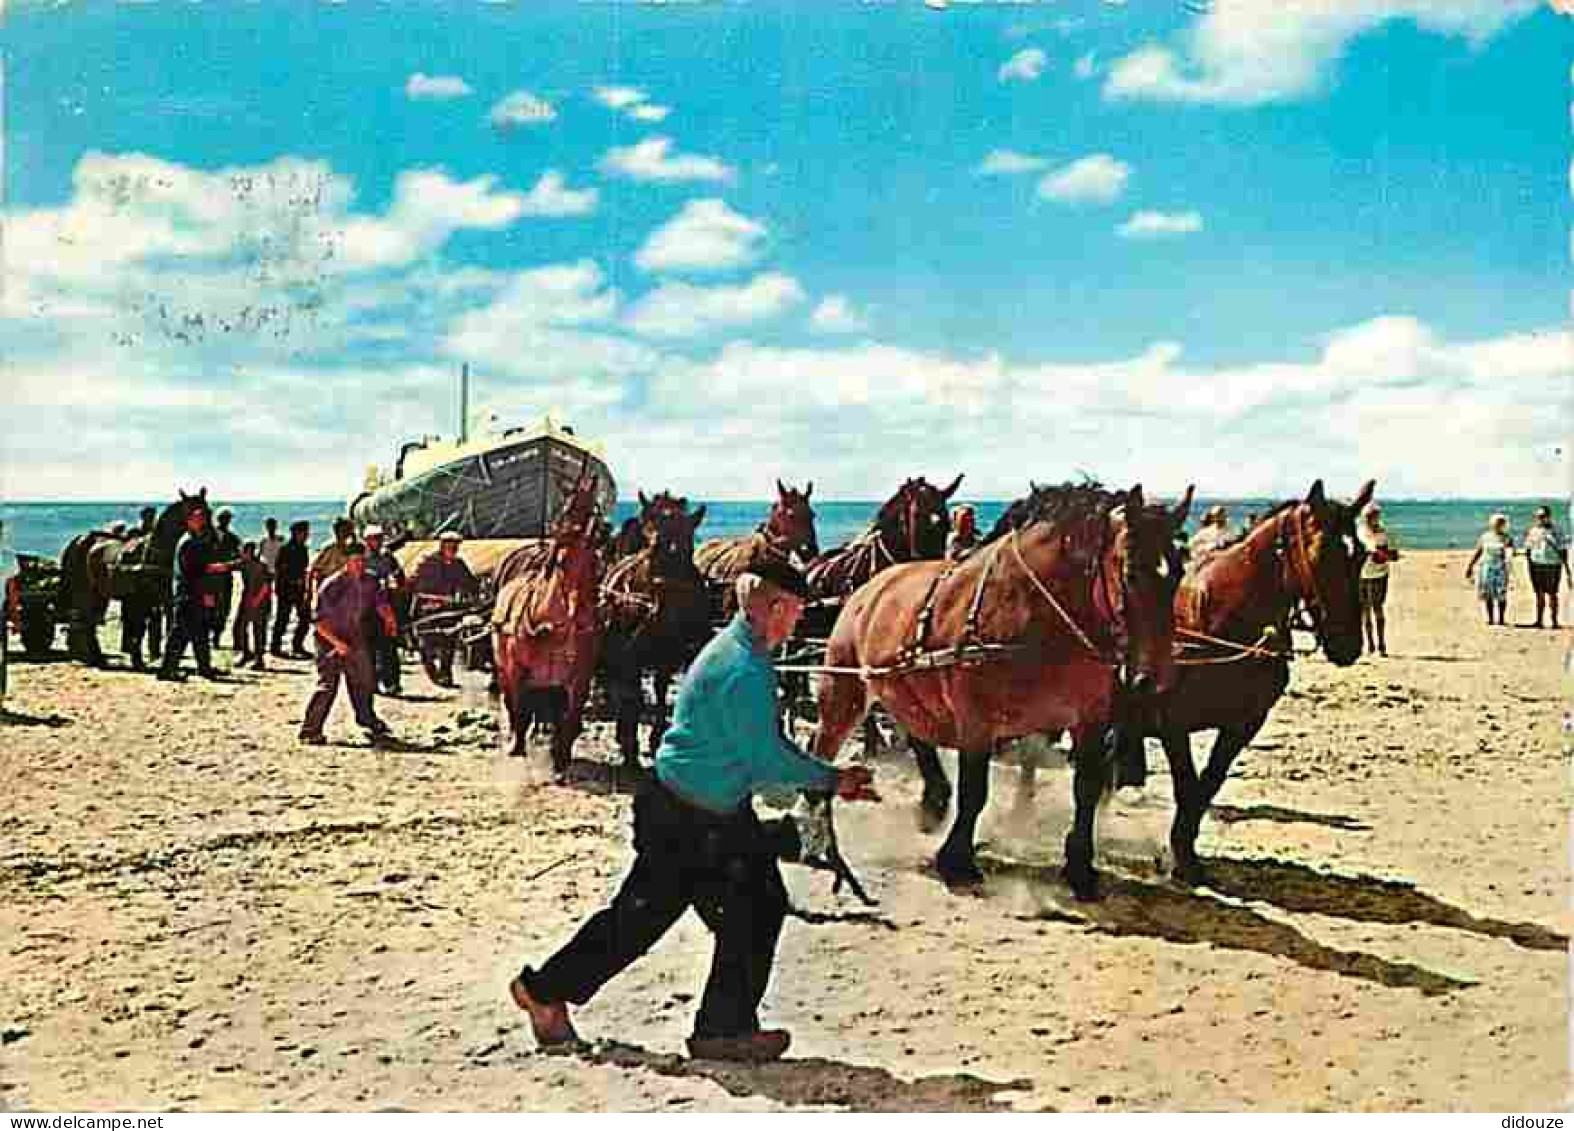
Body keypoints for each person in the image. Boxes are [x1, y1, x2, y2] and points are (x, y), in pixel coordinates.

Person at [508, 560, 878, 1061]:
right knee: (704, 913)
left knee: (701, 912)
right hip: (689, 818)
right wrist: (833, 779)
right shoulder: (744, 668)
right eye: (794, 612)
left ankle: (555, 993)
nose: (797, 623)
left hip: (701, 809)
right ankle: (715, 1031)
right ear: (772, 608)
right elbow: (766, 758)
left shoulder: (741, 650)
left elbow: (759, 753)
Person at [298, 541, 398, 745]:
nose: (359, 564)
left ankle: (367, 720)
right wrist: (337, 644)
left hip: (355, 636)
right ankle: (310, 730)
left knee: (364, 681)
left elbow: (381, 602)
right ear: (346, 561)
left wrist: (390, 620)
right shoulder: (332, 584)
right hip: (328, 639)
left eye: (362, 560)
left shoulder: (370, 581)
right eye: (355, 560)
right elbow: (318, 622)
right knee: (328, 685)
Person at [157, 503, 236, 681]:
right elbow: (192, 571)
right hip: (188, 594)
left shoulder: (196, 540)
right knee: (180, 634)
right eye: (198, 518)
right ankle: (167, 670)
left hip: (193, 593)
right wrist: (215, 571)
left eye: (203, 518)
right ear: (190, 521)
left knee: (200, 633)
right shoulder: (188, 542)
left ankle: (204, 668)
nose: (202, 521)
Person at [411, 531, 478, 688]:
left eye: (455, 546)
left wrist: (471, 595)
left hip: (450, 610)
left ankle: (446, 675)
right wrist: (436, 599)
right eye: (450, 545)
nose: (453, 549)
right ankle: (432, 671)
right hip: (428, 610)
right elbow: (418, 588)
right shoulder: (429, 563)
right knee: (427, 644)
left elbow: (470, 583)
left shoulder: (458, 564)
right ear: (442, 545)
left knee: (449, 643)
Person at [362, 525, 406, 694]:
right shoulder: (362, 558)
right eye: (374, 538)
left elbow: (398, 574)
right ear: (367, 540)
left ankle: (391, 682)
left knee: (388, 646)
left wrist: (399, 588)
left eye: (379, 538)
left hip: (385, 603)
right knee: (369, 647)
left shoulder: (387, 556)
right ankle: (372, 682)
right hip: (366, 605)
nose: (377, 541)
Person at [1357, 503, 1399, 655]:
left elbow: (1395, 555)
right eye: (1368, 516)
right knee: (1364, 611)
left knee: (1378, 609)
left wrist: (1382, 555)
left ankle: (1381, 645)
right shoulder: (1359, 532)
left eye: (1373, 516)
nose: (1370, 519)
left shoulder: (1384, 533)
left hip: (1379, 574)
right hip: (1361, 574)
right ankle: (1370, 645)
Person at [1522, 506, 1570, 629]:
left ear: (1549, 516)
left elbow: (1563, 549)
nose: (1540, 519)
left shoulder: (1557, 530)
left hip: (1553, 564)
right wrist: (1529, 564)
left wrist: (1567, 568)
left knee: (1552, 593)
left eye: (1542, 516)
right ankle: (1539, 620)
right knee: (1538, 593)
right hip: (1536, 564)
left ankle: (1554, 621)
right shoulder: (1532, 530)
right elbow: (1528, 548)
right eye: (1538, 516)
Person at [271, 521, 313, 658]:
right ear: (296, 533)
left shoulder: (303, 549)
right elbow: (279, 570)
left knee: (305, 618)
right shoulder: (286, 549)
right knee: (282, 618)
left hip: (299, 589)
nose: (306, 535)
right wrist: (287, 583)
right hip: (286, 589)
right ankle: (275, 647)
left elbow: (304, 569)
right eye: (304, 533)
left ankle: (297, 645)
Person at [232, 541, 273, 670]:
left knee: (258, 631)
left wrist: (256, 600)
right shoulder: (244, 564)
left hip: (261, 601)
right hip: (247, 599)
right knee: (239, 627)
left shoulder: (260, 566)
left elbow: (266, 586)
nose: (241, 553)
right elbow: (229, 565)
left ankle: (259, 660)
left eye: (243, 551)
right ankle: (246, 654)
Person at [1466, 513, 1513, 626]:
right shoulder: (1485, 536)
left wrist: (1509, 568)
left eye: (1501, 523)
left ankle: (1501, 618)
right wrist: (1470, 566)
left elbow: (1510, 553)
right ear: (1492, 524)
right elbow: (1478, 551)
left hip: (1501, 568)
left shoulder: (1507, 538)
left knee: (1501, 594)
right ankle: (1491, 618)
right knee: (1488, 594)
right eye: (1496, 523)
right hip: (1486, 567)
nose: (1498, 525)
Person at [209, 508, 242, 648]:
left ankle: (216, 636)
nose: (226, 521)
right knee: (209, 608)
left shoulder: (232, 538)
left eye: (228, 518)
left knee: (224, 608)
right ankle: (208, 636)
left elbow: (239, 557)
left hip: (225, 577)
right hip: (209, 577)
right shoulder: (209, 536)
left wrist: (229, 565)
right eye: (224, 518)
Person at [136, 507, 164, 659]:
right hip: (139, 583)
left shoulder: (157, 535)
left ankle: (154, 650)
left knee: (155, 619)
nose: (152, 518)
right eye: (149, 516)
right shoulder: (137, 534)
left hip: (154, 583)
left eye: (152, 516)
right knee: (138, 619)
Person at [309, 518, 356, 601]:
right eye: (343, 531)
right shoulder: (329, 548)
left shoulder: (353, 548)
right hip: (328, 589)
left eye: (348, 530)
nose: (346, 533)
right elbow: (313, 569)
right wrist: (310, 593)